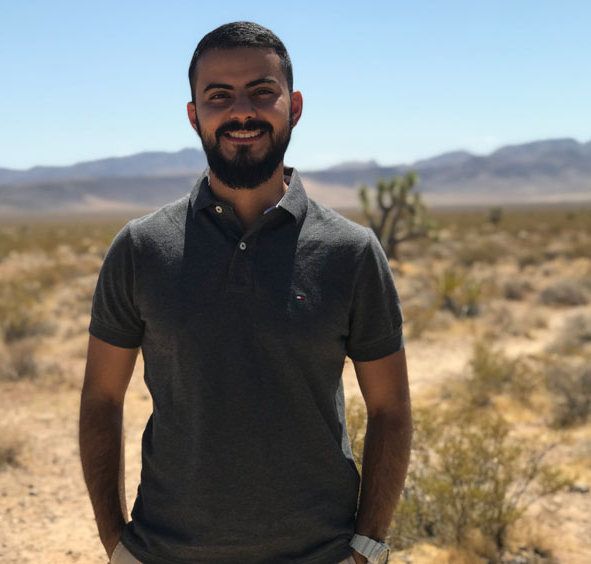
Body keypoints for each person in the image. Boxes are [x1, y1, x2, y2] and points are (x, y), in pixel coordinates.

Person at [79, 21, 411, 564]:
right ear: (194, 114)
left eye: (262, 91)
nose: (242, 111)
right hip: (167, 552)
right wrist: (116, 541)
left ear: (294, 106)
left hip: (319, 553)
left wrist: (367, 545)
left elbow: (391, 407)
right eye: (219, 96)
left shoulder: (351, 252)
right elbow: (101, 398)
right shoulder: (141, 248)